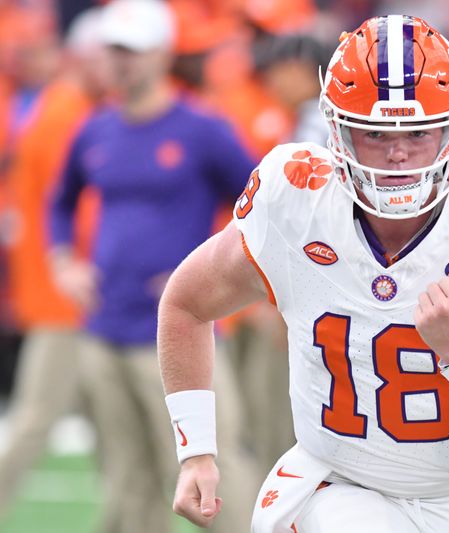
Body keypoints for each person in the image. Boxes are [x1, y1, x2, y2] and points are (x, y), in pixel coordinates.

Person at [158, 15, 449, 532]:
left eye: (420, 131)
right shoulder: (295, 199)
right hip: (338, 484)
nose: (398, 152)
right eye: (375, 133)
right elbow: (185, 303)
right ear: (337, 130)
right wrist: (196, 449)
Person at [48, 1, 259, 532]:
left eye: (132, 50)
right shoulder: (95, 128)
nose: (120, 62)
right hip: (105, 327)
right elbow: (60, 201)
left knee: (219, 470)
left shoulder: (201, 128)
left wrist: (211, 275)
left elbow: (261, 204)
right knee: (126, 478)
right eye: (113, 49)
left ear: (162, 54)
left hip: (180, 334)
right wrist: (63, 262)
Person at [0, 7, 107, 519]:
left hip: (66, 292)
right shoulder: (68, 111)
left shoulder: (59, 107)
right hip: (69, 295)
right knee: (40, 417)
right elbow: (76, 208)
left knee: (111, 423)